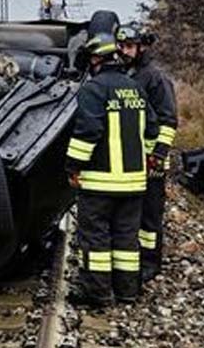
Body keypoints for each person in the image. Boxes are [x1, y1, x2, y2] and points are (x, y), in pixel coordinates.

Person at [65, 33, 157, 307]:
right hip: (133, 184)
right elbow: (151, 130)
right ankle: (127, 292)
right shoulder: (135, 88)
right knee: (126, 239)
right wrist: (147, 158)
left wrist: (72, 166)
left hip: (100, 184)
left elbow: (87, 133)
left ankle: (97, 294)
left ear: (96, 59)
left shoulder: (93, 89)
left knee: (95, 240)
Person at [117, 24, 178, 283]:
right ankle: (131, 259)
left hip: (151, 161)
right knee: (131, 214)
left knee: (150, 215)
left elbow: (168, 120)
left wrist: (158, 155)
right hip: (130, 160)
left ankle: (150, 263)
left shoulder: (155, 78)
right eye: (121, 46)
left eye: (129, 46)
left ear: (141, 47)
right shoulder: (126, 74)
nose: (124, 52)